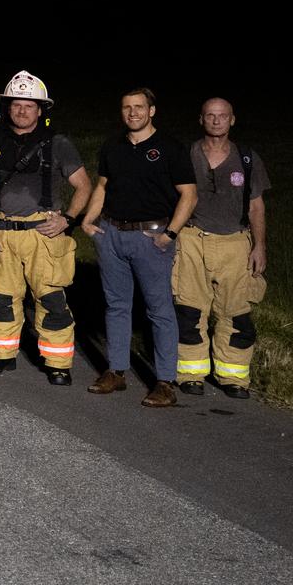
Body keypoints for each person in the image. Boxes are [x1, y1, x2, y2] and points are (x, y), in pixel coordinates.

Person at [0, 70, 91, 386]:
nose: (22, 111)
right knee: (0, 298)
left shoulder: (58, 144)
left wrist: (68, 220)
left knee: (50, 298)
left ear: (41, 109)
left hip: (43, 234)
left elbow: (83, 186)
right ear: (7, 107)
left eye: (29, 105)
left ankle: (58, 363)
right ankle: (1, 356)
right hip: (1, 233)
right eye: (16, 105)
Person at [81, 89, 197, 408]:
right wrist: (90, 221)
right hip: (112, 234)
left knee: (158, 309)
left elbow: (189, 195)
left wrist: (169, 235)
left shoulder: (170, 148)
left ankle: (164, 381)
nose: (133, 113)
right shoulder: (113, 146)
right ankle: (116, 371)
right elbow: (103, 186)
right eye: (127, 107)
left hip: (151, 237)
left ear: (152, 110)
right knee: (116, 305)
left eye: (139, 107)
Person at [175, 99, 268, 398]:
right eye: (211, 116)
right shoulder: (186, 155)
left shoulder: (248, 158)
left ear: (232, 120)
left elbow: (256, 207)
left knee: (236, 312)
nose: (217, 121)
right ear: (201, 119)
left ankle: (234, 377)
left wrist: (260, 246)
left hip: (235, 244)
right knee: (190, 310)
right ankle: (190, 373)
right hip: (192, 240)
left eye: (223, 116)